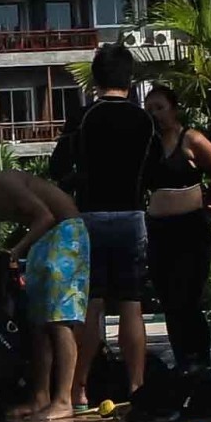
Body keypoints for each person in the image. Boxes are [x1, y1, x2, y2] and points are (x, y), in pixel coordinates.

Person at [44, 43, 154, 400]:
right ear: (130, 78)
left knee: (91, 303)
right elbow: (151, 171)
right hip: (132, 214)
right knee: (131, 303)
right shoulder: (143, 119)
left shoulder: (84, 117)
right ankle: (137, 386)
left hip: (89, 215)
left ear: (95, 77)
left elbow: (58, 168)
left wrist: (80, 179)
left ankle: (79, 387)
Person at [0, 170, 88, 422]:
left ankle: (63, 400)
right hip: (41, 242)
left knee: (59, 319)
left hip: (66, 232)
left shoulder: (2, 182)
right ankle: (40, 397)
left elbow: (45, 216)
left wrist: (14, 252)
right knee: (37, 322)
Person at [143, 82, 211, 377]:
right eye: (149, 109)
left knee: (189, 297)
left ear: (173, 109)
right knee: (168, 299)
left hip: (190, 228)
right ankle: (182, 362)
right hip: (159, 229)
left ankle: (201, 361)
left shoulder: (190, 139)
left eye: (160, 108)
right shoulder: (148, 146)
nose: (155, 114)